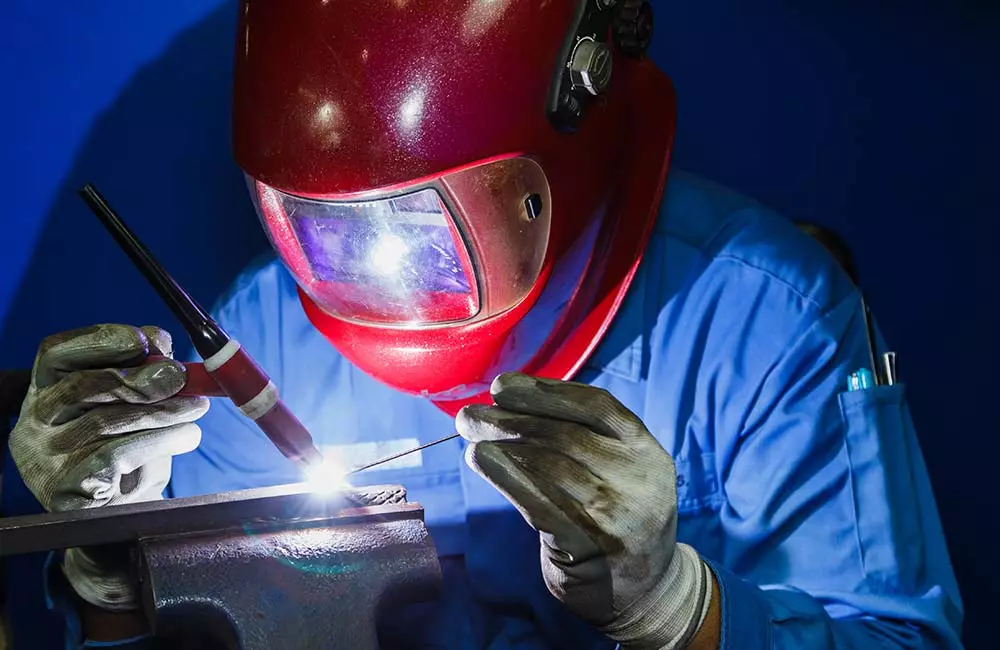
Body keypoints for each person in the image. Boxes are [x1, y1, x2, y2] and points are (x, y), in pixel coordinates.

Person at [3, 1, 963, 648]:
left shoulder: (765, 320)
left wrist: (681, 607)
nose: (380, 267)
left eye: (423, 220)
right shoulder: (267, 330)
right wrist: (107, 564)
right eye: (329, 227)